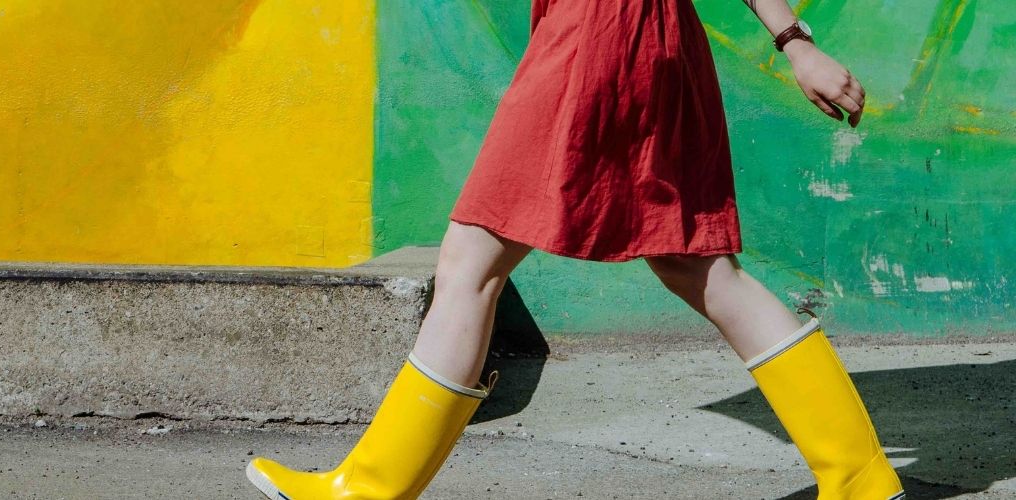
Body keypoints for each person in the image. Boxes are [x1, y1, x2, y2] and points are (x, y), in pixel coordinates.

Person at [247, 0, 904, 498]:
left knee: (470, 261)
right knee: (696, 264)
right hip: (639, 38)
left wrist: (793, 40)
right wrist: (791, 42)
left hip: (600, 37)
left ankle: (366, 489)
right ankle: (861, 476)